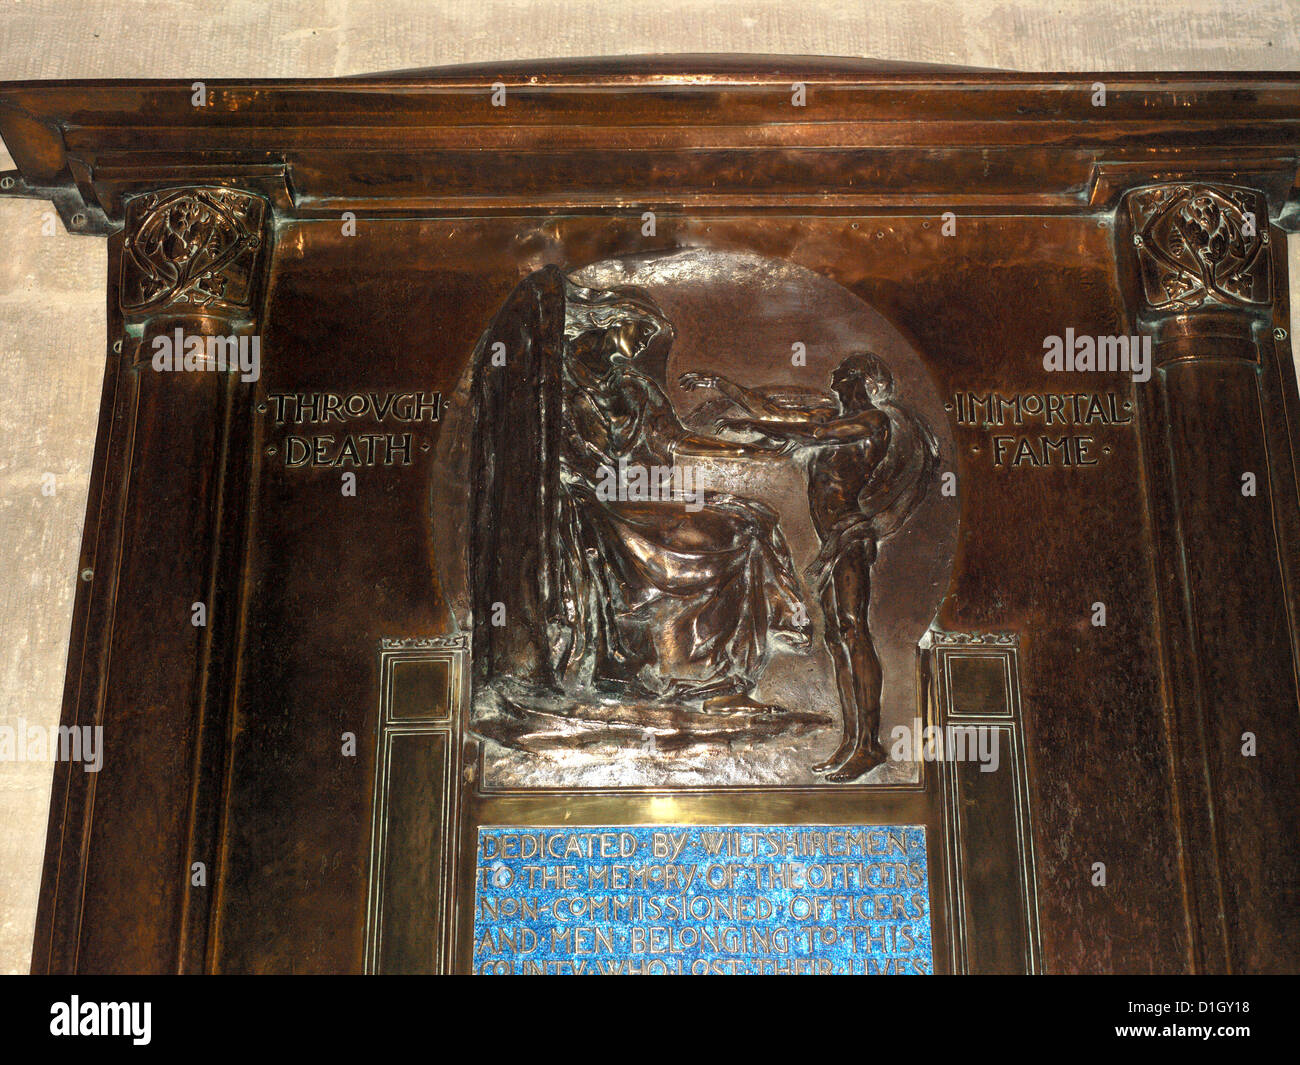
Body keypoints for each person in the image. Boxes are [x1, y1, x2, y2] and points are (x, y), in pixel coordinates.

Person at [681, 352, 938, 780]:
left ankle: (869, 744)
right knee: (839, 635)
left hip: (849, 536)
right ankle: (854, 742)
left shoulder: (870, 422)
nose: (833, 375)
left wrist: (752, 426)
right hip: (833, 540)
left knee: (854, 628)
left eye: (841, 370)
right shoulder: (834, 420)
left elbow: (812, 431)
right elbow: (779, 414)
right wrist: (721, 383)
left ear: (859, 378)